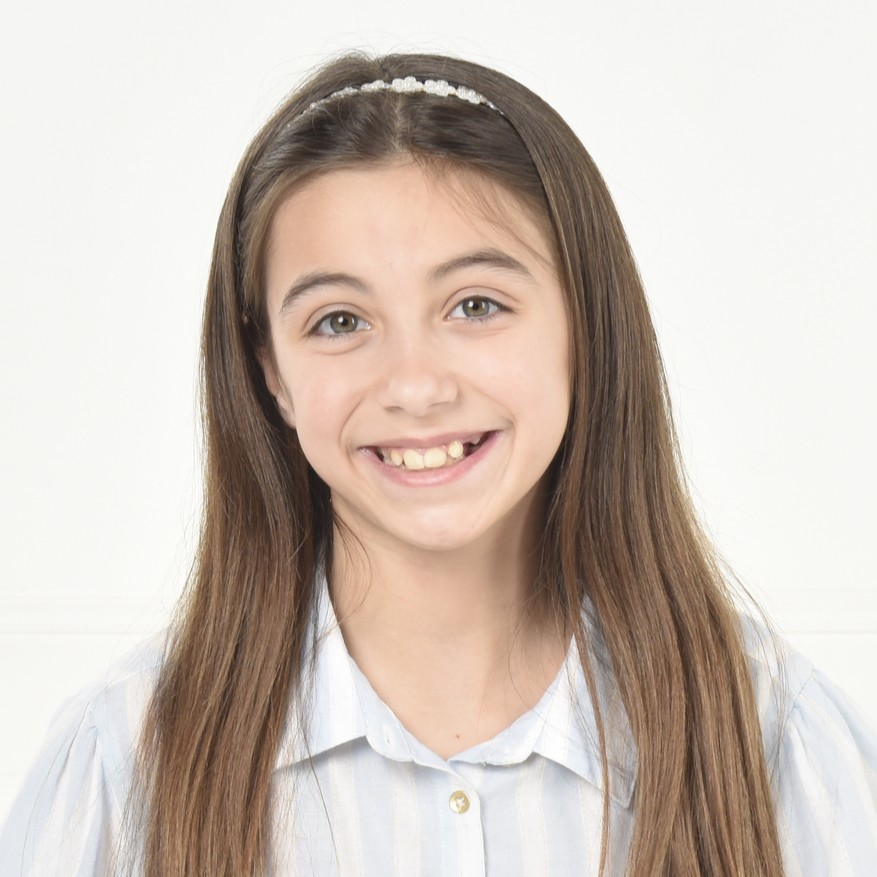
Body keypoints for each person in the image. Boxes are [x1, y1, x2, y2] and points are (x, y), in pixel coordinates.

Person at [1, 52, 876, 877]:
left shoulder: (775, 737)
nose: (415, 386)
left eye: (476, 305)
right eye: (339, 321)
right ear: (270, 372)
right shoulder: (125, 761)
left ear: (584, 325)